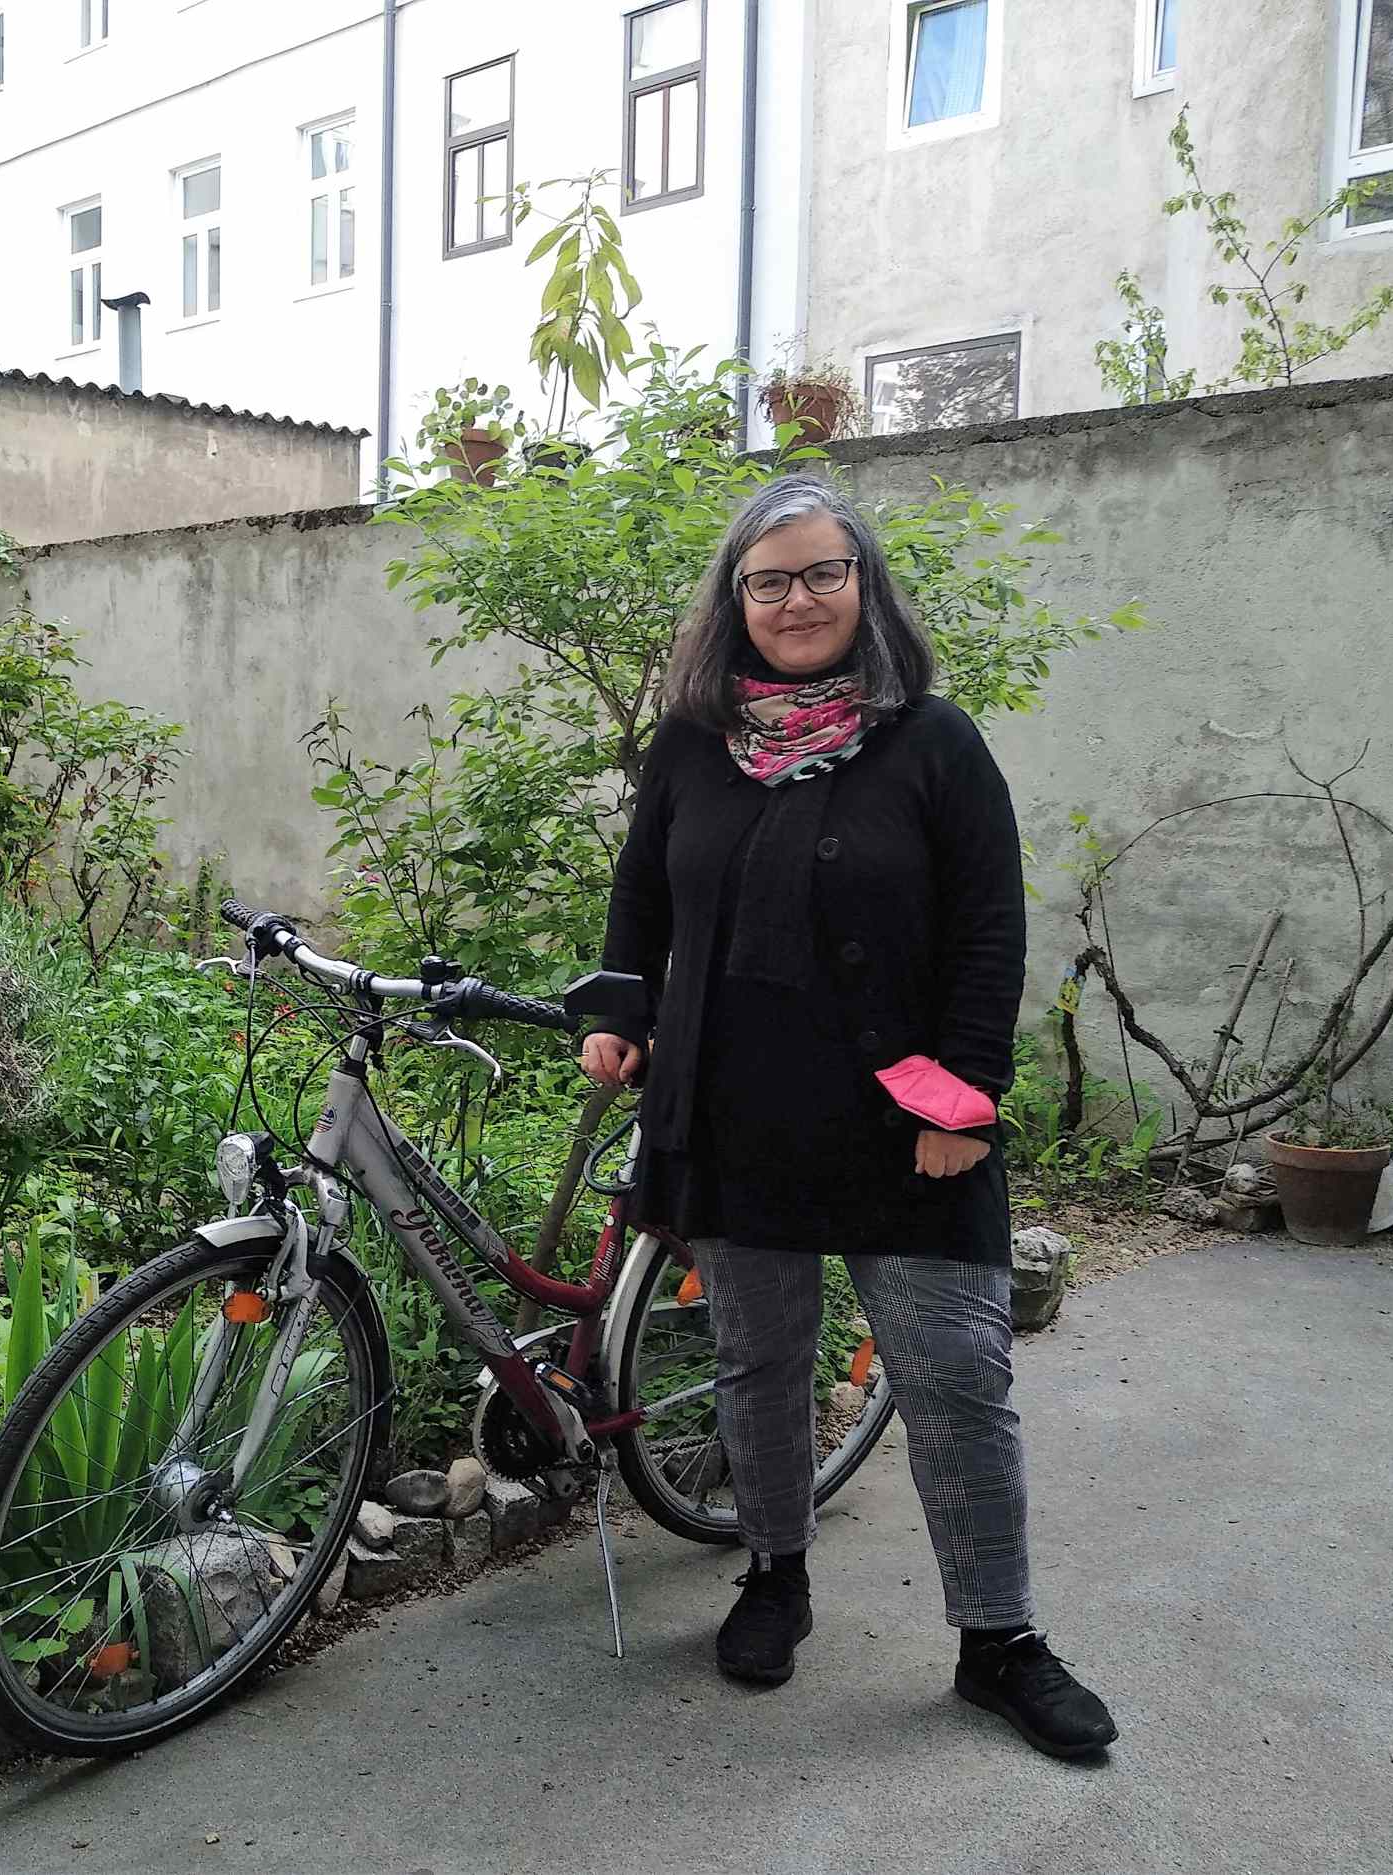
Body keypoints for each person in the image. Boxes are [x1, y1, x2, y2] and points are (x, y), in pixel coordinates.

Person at [580, 474, 1117, 1759]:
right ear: (734, 602)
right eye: (767, 580)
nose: (795, 599)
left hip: (901, 1125)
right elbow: (641, 898)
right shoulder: (692, 747)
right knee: (759, 1365)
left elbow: (991, 932)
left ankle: (1000, 1640)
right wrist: (620, 1007)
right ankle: (775, 1573)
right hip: (731, 1112)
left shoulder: (931, 741)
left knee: (955, 1383)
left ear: (863, 588)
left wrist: (960, 1102)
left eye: (822, 574)